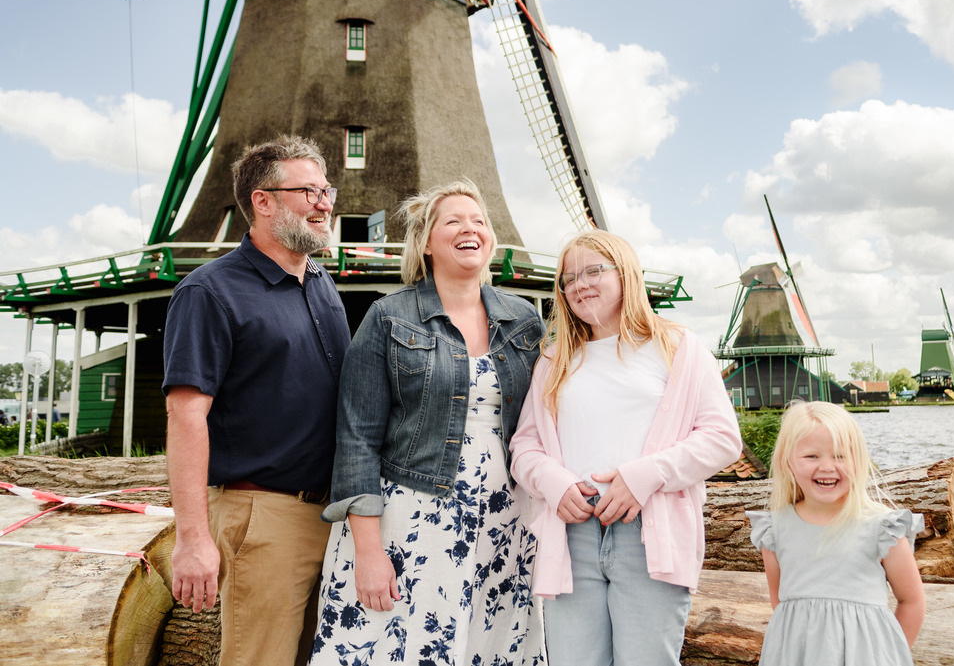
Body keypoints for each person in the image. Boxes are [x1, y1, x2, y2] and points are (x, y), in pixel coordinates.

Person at [310, 180, 546, 666]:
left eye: (479, 220)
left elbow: (549, 421)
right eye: (453, 221)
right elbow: (357, 438)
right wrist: (369, 553)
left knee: (490, 647)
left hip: (506, 522)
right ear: (425, 241)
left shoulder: (524, 321)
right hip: (413, 523)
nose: (470, 228)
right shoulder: (388, 318)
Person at [509, 230, 743, 666]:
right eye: (568, 278)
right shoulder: (554, 359)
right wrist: (554, 484)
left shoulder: (677, 348)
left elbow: (722, 437)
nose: (579, 285)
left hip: (648, 531)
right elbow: (525, 445)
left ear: (626, 273)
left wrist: (642, 477)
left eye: (593, 271)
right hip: (573, 531)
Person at [162, 136, 350, 666]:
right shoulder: (211, 292)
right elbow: (186, 414)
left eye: (326, 188)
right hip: (263, 517)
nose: (324, 201)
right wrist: (193, 538)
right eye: (308, 190)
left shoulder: (320, 284)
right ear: (263, 201)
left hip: (333, 515)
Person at [747, 401, 925, 666]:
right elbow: (782, 605)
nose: (827, 467)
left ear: (858, 460)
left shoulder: (881, 528)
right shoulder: (775, 530)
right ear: (788, 462)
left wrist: (890, 654)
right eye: (812, 456)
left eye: (840, 455)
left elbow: (912, 601)